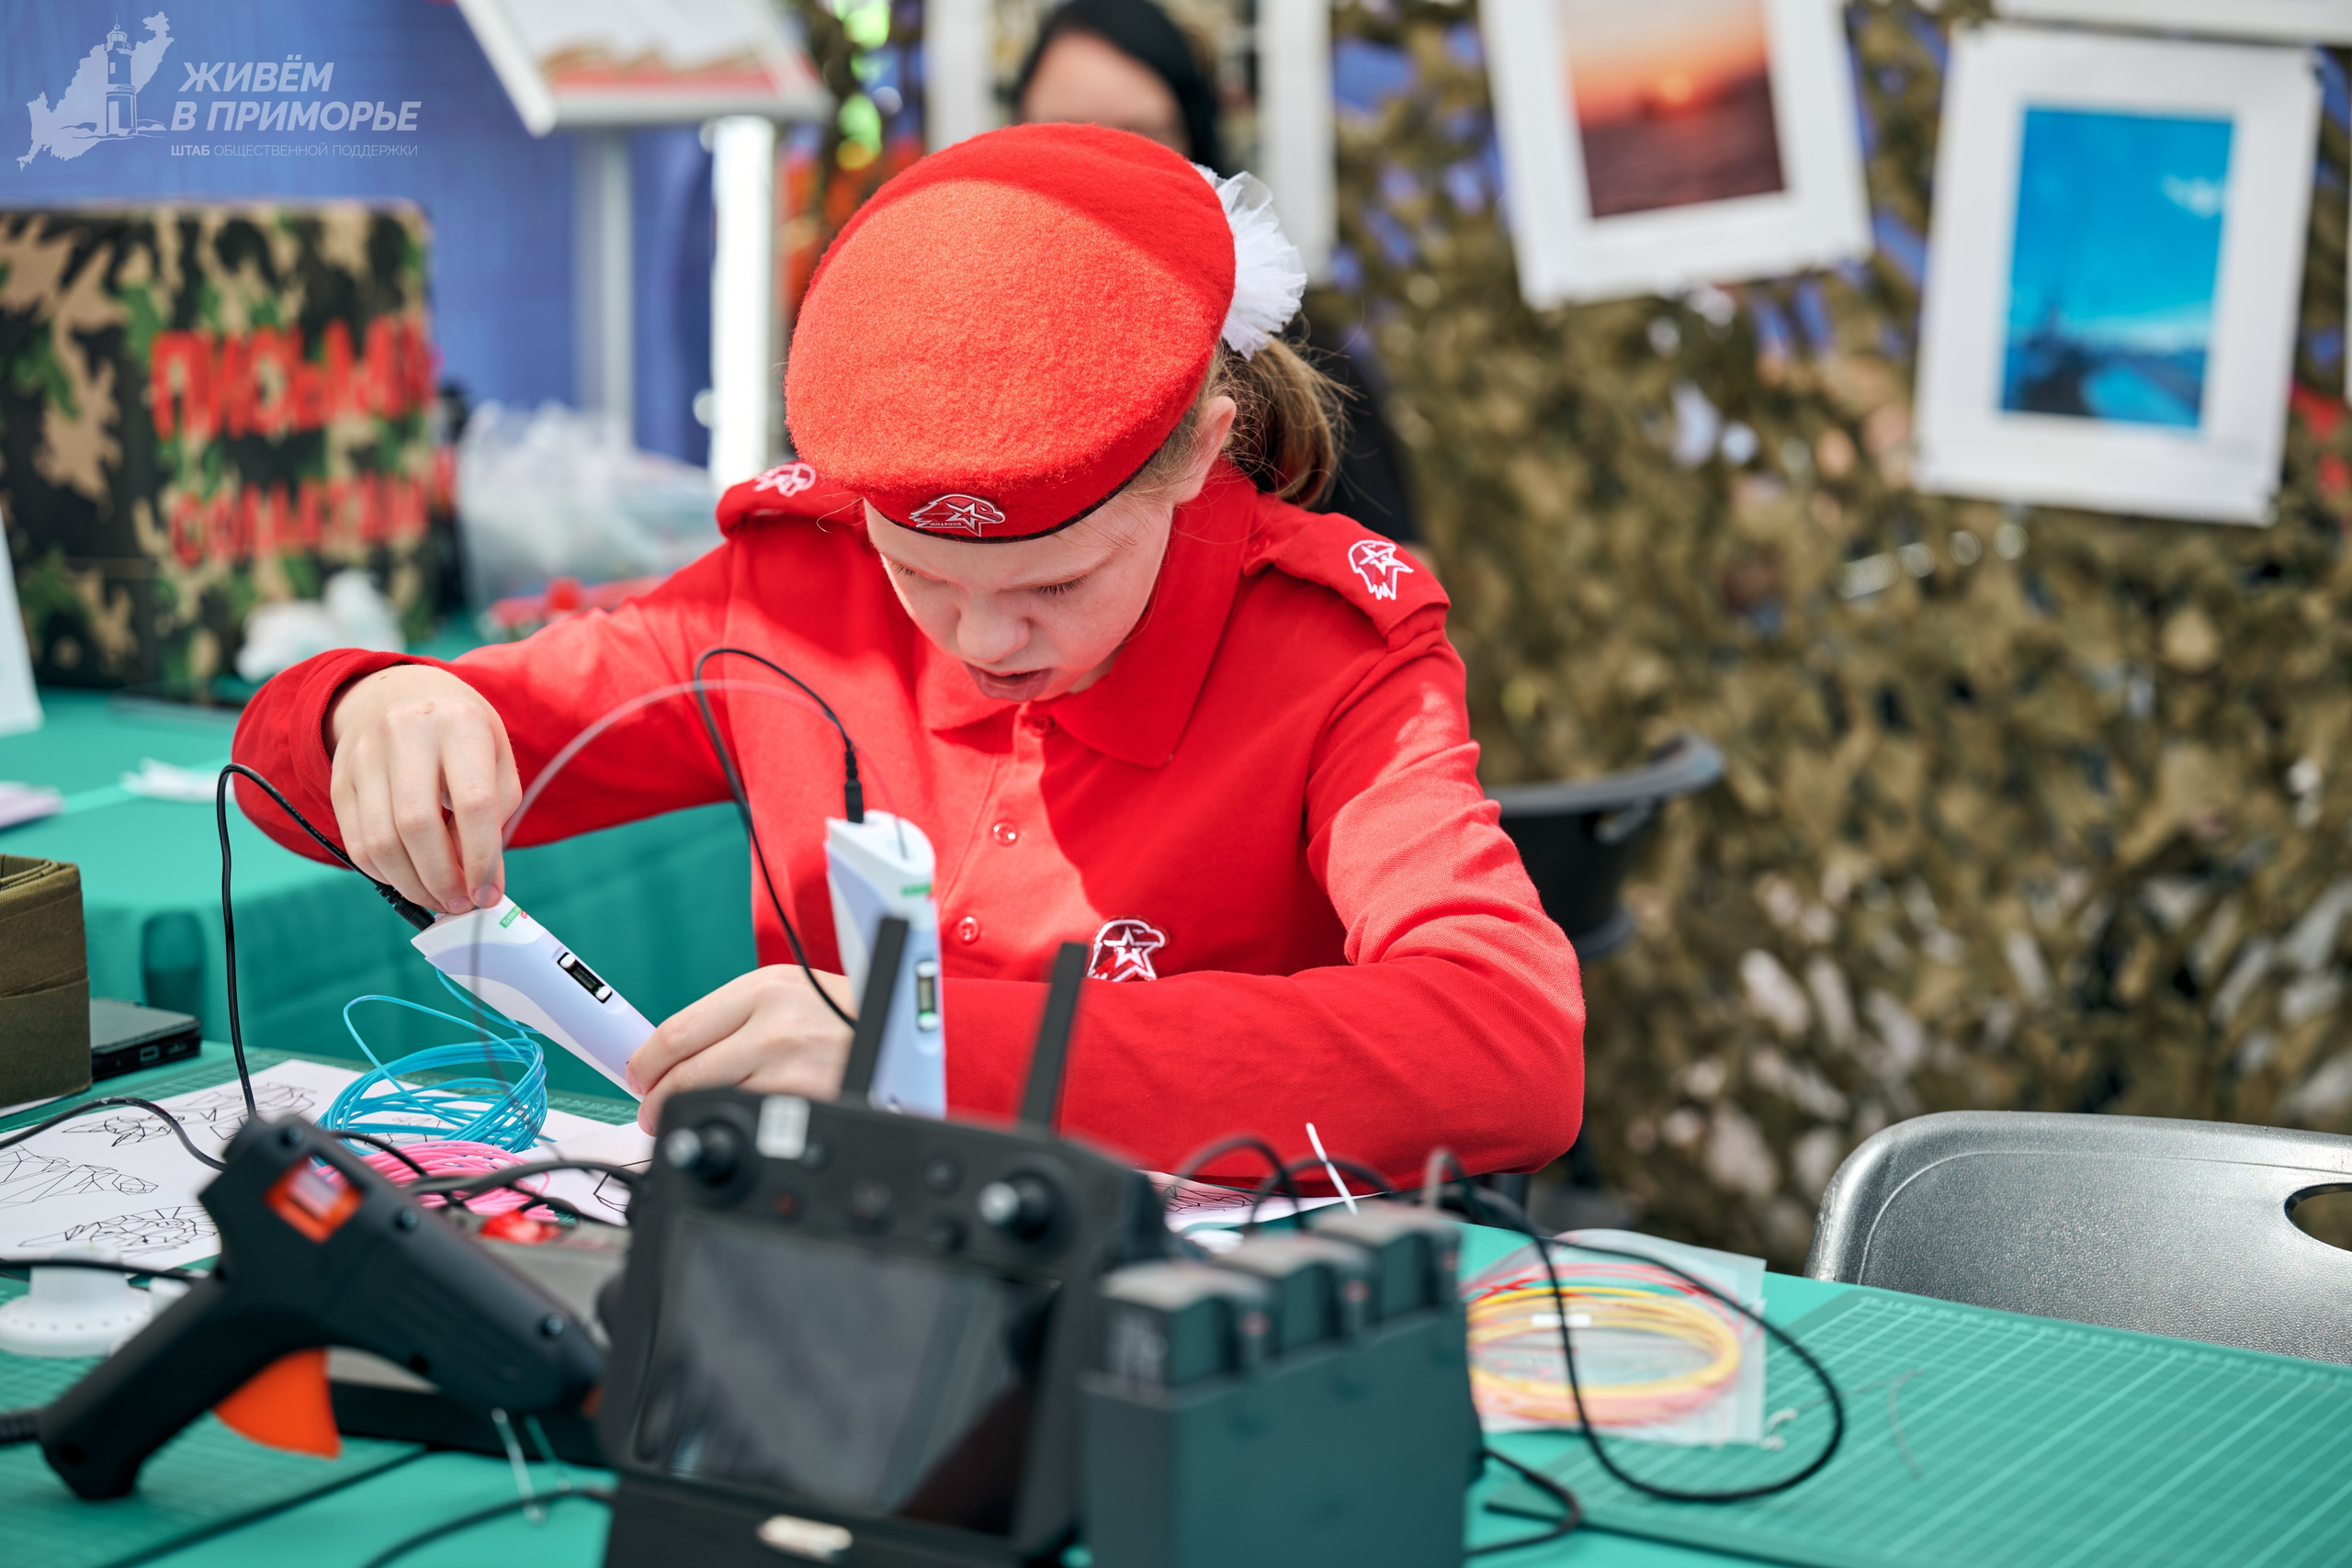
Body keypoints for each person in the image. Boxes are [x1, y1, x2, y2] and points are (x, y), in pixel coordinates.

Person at [230, 125, 1580, 1185]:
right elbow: (292, 779)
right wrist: (371, 710)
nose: (985, 641)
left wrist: (926, 1053)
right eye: (921, 575)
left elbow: (1508, 1046)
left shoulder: (1332, 655)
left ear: (1199, 455)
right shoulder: (795, 595)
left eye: (1057, 581)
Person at [1016, 0, 1426, 547]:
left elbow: (1397, 577)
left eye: (1138, 136)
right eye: (1066, 137)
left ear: (1194, 139)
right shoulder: (968, 340)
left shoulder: (1285, 355)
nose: (1101, 172)